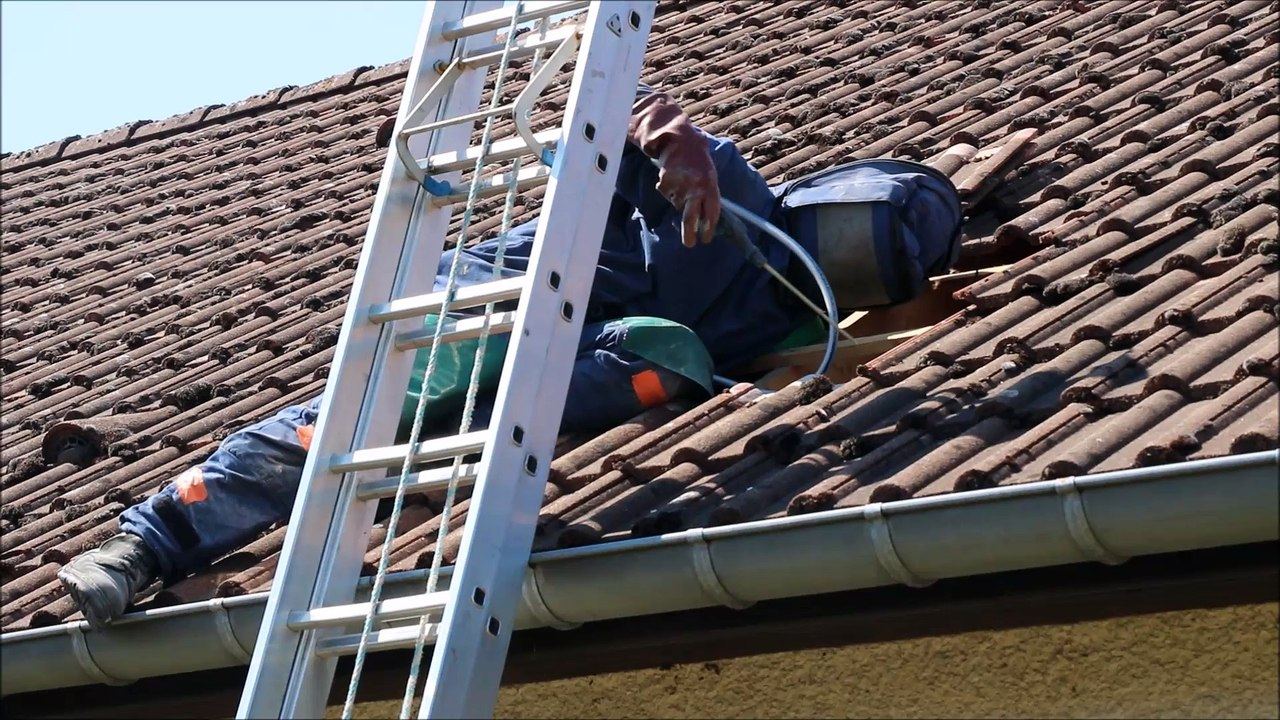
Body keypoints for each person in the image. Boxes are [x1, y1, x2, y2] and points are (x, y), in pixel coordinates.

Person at [58, 85, 964, 630]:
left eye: (876, 260)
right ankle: (144, 545)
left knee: (669, 356)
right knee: (347, 424)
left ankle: (478, 421)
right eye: (857, 233)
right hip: (494, 305)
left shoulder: (789, 323)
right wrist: (673, 143)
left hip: (579, 356)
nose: (851, 259)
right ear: (826, 202)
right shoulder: (727, 194)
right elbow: (609, 117)